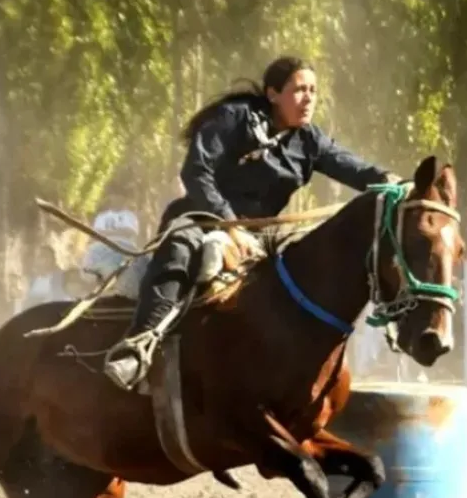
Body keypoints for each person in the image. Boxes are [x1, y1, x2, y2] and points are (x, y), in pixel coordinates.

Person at [103, 55, 400, 392]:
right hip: (201, 218)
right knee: (180, 251)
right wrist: (230, 224)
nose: (308, 99)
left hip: (260, 237)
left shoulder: (310, 141)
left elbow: (355, 169)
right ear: (273, 94)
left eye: (313, 91)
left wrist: (394, 181)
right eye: (299, 89)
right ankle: (137, 348)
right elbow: (195, 172)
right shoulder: (235, 118)